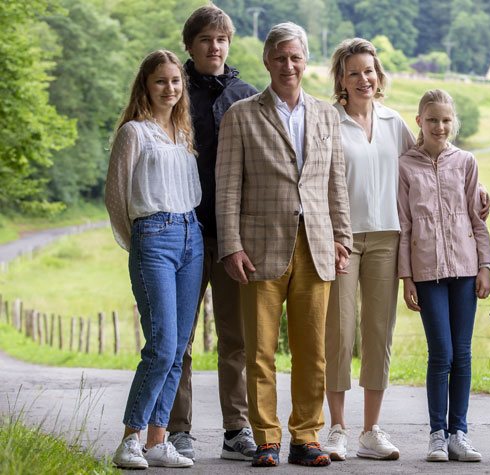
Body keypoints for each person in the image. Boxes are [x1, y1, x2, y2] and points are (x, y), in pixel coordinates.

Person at [215, 22, 352, 468]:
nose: (288, 65)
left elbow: (336, 184)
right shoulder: (241, 114)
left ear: (305, 60)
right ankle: (267, 439)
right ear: (267, 61)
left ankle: (306, 437)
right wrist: (231, 245)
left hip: (316, 245)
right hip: (258, 249)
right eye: (280, 57)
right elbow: (228, 187)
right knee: (259, 351)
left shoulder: (326, 114)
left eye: (295, 57)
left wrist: (342, 238)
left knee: (314, 350)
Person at [166, 4, 259, 462]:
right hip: (182, 232)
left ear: (229, 44)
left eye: (221, 39)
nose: (214, 46)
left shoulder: (247, 96)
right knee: (179, 338)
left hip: (233, 239)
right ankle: (177, 430)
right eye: (205, 39)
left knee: (235, 337)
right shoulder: (172, 91)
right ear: (191, 45)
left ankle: (235, 430)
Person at [106, 50, 203, 469]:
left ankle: (159, 441)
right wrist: (140, 243)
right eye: (161, 81)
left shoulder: (182, 132)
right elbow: (115, 197)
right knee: (161, 346)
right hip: (154, 237)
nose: (170, 88)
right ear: (145, 85)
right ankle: (131, 438)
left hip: (192, 236)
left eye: (176, 81)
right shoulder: (135, 133)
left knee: (179, 347)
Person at [320, 38, 414, 462]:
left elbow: (428, 168)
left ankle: (371, 431)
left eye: (369, 71)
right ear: (341, 78)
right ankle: (337, 429)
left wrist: (475, 189)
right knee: (339, 333)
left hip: (387, 239)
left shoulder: (395, 123)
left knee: (379, 332)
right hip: (341, 240)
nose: (363, 79)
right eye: (354, 72)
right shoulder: (328, 122)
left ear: (380, 77)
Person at [397, 89, 490, 463]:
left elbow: (477, 219)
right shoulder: (405, 166)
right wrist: (406, 278)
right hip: (426, 271)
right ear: (419, 121)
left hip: (466, 270)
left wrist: (485, 266)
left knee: (464, 354)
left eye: (446, 120)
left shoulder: (466, 162)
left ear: (454, 123)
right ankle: (437, 435)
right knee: (442, 353)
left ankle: (460, 434)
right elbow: (404, 225)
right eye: (432, 119)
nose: (440, 126)